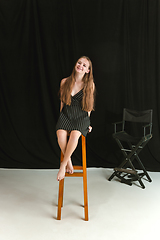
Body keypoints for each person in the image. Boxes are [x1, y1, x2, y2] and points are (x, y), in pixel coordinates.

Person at [56, 56, 95, 181]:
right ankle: (69, 161)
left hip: (81, 116)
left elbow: (89, 106)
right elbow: (62, 103)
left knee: (74, 135)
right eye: (79, 63)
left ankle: (63, 165)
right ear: (75, 64)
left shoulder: (89, 85)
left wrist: (88, 122)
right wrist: (61, 118)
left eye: (84, 65)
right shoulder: (64, 82)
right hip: (67, 114)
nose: (81, 66)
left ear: (88, 70)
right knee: (60, 134)